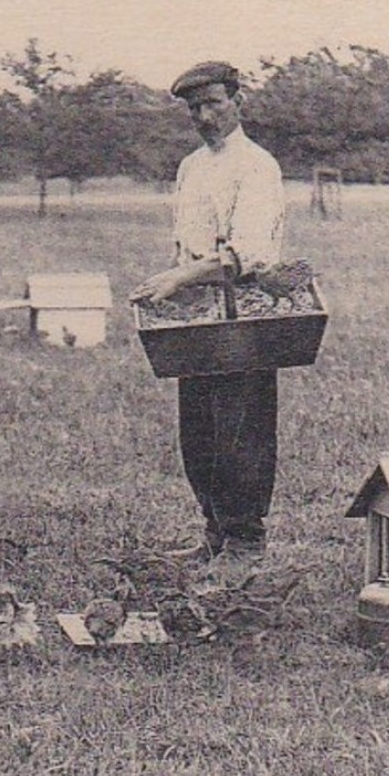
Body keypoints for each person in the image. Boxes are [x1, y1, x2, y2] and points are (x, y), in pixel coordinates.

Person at [129, 61, 287, 569]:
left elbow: (251, 252)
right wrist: (176, 284)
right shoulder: (192, 166)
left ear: (239, 102)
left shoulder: (256, 165)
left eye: (214, 103)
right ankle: (214, 533)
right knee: (198, 430)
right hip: (196, 312)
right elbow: (186, 242)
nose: (204, 115)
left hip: (244, 309)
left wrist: (181, 277)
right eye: (194, 108)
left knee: (241, 429)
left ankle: (245, 542)